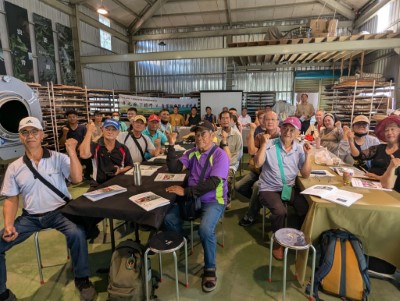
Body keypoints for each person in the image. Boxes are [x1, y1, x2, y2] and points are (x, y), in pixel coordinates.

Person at [0, 117, 97, 301]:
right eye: (25, 132)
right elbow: (11, 199)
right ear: (20, 137)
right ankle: (2, 293)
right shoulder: (14, 167)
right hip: (30, 218)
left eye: (34, 131)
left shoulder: (58, 158)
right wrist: (9, 225)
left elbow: (76, 179)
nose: (30, 136)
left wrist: (71, 152)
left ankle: (82, 279)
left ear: (42, 135)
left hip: (60, 212)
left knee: (77, 233)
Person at [164, 120, 229, 292]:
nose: (199, 138)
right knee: (167, 217)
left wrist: (185, 192)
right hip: (193, 199)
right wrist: (171, 145)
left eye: (203, 134)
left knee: (206, 230)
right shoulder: (191, 152)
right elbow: (174, 168)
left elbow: (213, 183)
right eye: (197, 134)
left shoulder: (220, 155)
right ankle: (183, 241)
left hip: (213, 200)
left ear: (213, 136)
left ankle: (210, 268)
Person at [253, 116, 312, 260]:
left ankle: (299, 236)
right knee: (280, 211)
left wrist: (308, 155)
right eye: (285, 128)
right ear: (281, 128)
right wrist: (263, 145)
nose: (288, 132)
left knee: (305, 207)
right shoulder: (270, 144)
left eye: (292, 130)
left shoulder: (299, 149)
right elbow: (257, 164)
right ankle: (278, 243)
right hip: (269, 188)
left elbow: (305, 174)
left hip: (287, 187)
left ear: (298, 133)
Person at [238, 111, 280, 227]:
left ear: (277, 122)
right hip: (259, 170)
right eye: (267, 119)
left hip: (272, 174)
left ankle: (250, 215)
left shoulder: (281, 136)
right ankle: (259, 201)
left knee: (257, 186)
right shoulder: (260, 136)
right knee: (238, 186)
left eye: (273, 120)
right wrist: (252, 132)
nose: (270, 122)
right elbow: (251, 151)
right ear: (263, 121)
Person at [80, 118, 133, 187]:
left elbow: (130, 165)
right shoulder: (95, 146)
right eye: (107, 129)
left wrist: (120, 170)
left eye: (113, 129)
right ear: (102, 130)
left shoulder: (123, 148)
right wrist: (89, 131)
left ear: (118, 132)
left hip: (119, 183)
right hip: (98, 184)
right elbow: (84, 155)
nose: (110, 132)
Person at [349, 115, 400, 181]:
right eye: (386, 130)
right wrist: (351, 142)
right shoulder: (379, 148)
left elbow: (397, 181)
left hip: (389, 189)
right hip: (370, 182)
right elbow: (358, 156)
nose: (389, 133)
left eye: (392, 129)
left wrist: (377, 177)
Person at [216, 111, 243, 208]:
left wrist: (225, 165)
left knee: (226, 177)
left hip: (231, 163)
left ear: (231, 120)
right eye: (222, 118)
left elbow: (237, 155)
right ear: (219, 120)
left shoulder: (237, 135)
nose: (225, 120)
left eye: (227, 118)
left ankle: (227, 198)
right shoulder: (215, 135)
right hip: (217, 163)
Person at [59, 110, 92, 180]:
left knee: (87, 156)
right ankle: (70, 177)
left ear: (77, 118)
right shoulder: (65, 128)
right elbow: (62, 143)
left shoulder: (82, 128)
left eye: (74, 117)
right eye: (70, 117)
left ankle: (87, 175)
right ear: (67, 118)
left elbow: (86, 139)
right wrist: (65, 133)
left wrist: (81, 146)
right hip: (69, 151)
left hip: (81, 150)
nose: (72, 118)